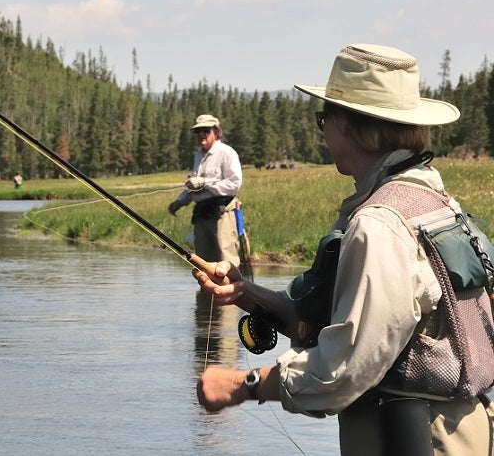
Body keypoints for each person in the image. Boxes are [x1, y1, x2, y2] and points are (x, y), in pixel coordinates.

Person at [193, 44, 494, 455]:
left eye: (324, 119)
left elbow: (344, 369)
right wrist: (246, 292)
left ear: (350, 126)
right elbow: (358, 319)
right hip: (459, 431)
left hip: (416, 439)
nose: (324, 133)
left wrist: (241, 385)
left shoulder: (380, 224)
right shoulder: (434, 201)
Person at [168, 114, 243, 265]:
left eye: (205, 130)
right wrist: (179, 202)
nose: (201, 134)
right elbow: (192, 186)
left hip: (223, 214)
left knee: (227, 262)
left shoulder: (226, 153)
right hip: (201, 215)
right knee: (204, 264)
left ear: (216, 132)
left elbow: (234, 184)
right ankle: (206, 290)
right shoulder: (198, 156)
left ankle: (232, 289)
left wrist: (205, 182)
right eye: (198, 131)